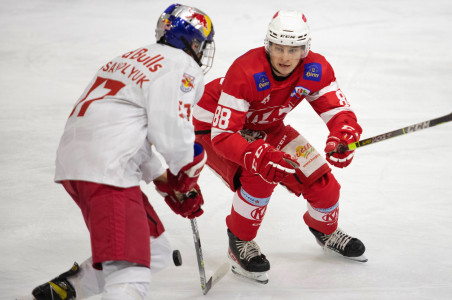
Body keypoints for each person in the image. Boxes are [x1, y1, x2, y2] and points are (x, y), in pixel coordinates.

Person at [31, 4, 215, 300]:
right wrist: (185, 178)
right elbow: (172, 133)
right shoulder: (180, 65)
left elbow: (122, 128)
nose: (200, 51)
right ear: (189, 42)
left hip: (80, 160)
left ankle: (69, 289)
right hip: (108, 169)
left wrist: (162, 180)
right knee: (131, 272)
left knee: (155, 250)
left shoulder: (128, 58)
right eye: (199, 44)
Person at [192, 10, 366, 284]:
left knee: (322, 184)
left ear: (305, 49)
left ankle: (326, 231)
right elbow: (224, 135)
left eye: (294, 49)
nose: (285, 57)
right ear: (268, 45)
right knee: (260, 173)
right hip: (212, 128)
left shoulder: (316, 69)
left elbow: (337, 110)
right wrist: (256, 155)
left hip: (268, 128)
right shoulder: (246, 70)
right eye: (279, 48)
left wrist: (343, 134)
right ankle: (240, 242)